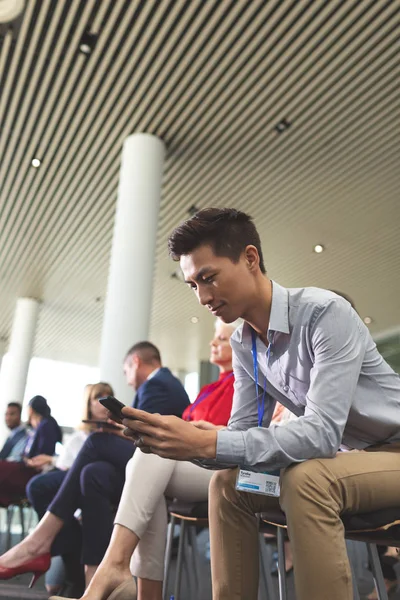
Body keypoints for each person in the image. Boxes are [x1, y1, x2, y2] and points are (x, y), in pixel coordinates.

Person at [118, 207, 400, 600]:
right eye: (192, 285)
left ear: (250, 258)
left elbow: (320, 433)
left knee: (308, 478)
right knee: (228, 485)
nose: (202, 297)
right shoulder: (243, 343)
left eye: (208, 278)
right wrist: (186, 441)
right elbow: (241, 439)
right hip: (348, 458)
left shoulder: (324, 313)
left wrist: (209, 443)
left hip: (393, 453)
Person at [50, 318, 237, 600]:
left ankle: (111, 570)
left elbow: (242, 434)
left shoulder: (242, 384)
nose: (213, 343)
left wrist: (201, 431)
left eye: (222, 339)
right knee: (112, 470)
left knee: (141, 450)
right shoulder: (208, 389)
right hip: (192, 459)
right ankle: (128, 581)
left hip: (221, 461)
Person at [0, 341, 190, 590]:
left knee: (97, 441)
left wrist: (117, 429)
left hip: (159, 465)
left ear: (135, 362)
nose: (129, 381)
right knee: (93, 473)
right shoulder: (161, 384)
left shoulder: (158, 385)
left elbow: (149, 438)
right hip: (141, 464)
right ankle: (92, 576)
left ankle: (39, 543)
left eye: (126, 373)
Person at [26, 382, 113, 597]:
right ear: (88, 404)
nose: (104, 403)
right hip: (73, 518)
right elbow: (64, 487)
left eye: (108, 397)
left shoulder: (118, 440)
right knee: (52, 586)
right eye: (98, 398)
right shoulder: (76, 440)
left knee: (60, 586)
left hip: (102, 512)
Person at [0, 395, 62, 508]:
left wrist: (29, 460)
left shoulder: (46, 425)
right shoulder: (42, 426)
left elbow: (42, 456)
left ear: (31, 410)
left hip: (33, 471)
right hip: (31, 468)